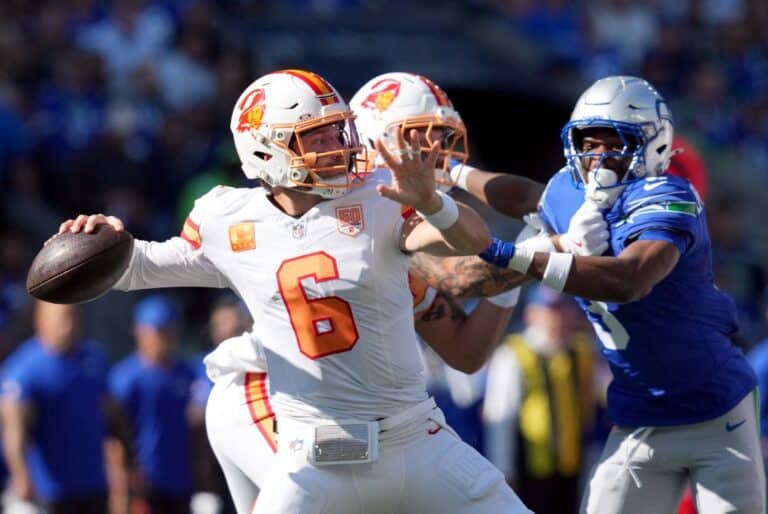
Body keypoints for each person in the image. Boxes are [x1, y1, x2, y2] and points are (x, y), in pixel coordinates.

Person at [58, 69, 532, 514]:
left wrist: (433, 202)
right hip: (312, 445)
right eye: (316, 136)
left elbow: (473, 241)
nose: (337, 146)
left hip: (417, 435)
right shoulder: (228, 219)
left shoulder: (380, 196)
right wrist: (102, 238)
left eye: (337, 131)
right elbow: (139, 266)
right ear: (265, 151)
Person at [462, 75, 764, 514]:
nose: (598, 156)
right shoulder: (570, 193)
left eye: (615, 142)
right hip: (640, 418)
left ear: (653, 145)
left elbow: (630, 279)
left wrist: (518, 255)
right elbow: (525, 196)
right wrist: (451, 173)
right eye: (588, 142)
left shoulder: (670, 196)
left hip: (715, 413)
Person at [483, 285, 598, 514]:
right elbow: (500, 417)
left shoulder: (581, 351)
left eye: (563, 310)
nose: (558, 318)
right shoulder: (513, 354)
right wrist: (503, 471)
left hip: (571, 466)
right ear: (531, 314)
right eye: (550, 310)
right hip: (529, 467)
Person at [0, 301, 112, 514]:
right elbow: (15, 430)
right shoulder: (25, 367)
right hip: (50, 489)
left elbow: (109, 416)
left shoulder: (94, 357)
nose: (69, 325)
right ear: (40, 320)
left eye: (74, 317)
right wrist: (21, 474)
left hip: (94, 483)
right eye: (62, 317)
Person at [108, 294, 196, 514]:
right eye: (158, 331)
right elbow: (114, 436)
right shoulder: (125, 378)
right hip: (144, 484)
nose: (164, 338)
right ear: (139, 332)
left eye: (169, 330)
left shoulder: (187, 374)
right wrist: (122, 484)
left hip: (181, 481)